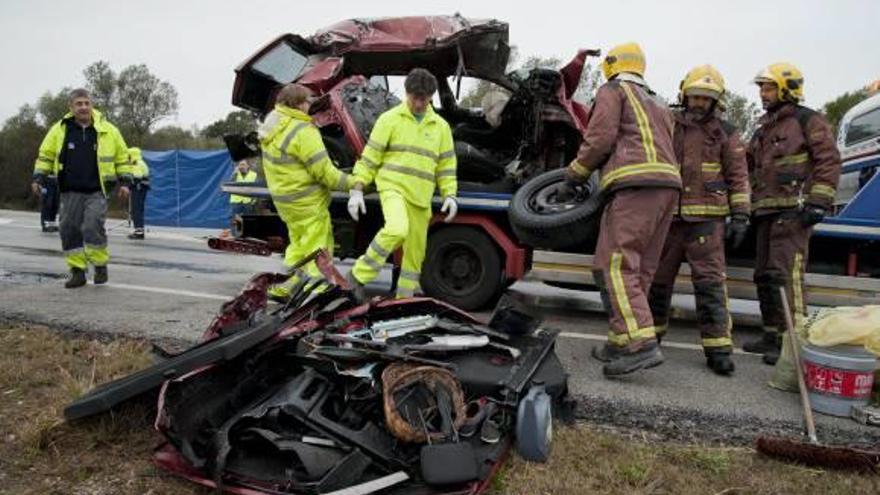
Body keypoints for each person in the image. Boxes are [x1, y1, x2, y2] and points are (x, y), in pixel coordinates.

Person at [558, 43, 681, 377]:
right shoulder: (657, 100)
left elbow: (600, 137)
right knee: (637, 269)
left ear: (612, 65)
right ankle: (619, 339)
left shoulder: (613, 90)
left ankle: (641, 345)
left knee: (614, 265)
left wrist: (576, 173)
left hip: (634, 184)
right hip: (667, 188)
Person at [645, 65, 750, 376]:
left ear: (716, 100)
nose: (700, 102)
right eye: (695, 96)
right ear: (684, 94)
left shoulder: (726, 132)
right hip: (670, 219)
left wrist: (741, 214)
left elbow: (738, 176)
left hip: (708, 221)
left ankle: (718, 350)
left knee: (710, 287)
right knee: (657, 284)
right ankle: (650, 340)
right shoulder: (667, 123)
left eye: (707, 98)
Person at [743, 63, 841, 365]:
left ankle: (793, 344)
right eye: (761, 87)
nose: (762, 93)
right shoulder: (763, 128)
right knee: (765, 275)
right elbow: (746, 165)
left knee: (787, 276)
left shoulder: (808, 120)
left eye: (768, 87)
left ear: (787, 89)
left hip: (794, 210)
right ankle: (771, 335)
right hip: (765, 211)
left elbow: (828, 159)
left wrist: (818, 201)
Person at [346, 68, 458, 301]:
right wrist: (357, 188)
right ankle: (357, 276)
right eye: (414, 97)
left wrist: (450, 195)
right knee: (397, 229)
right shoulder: (389, 120)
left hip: (421, 196)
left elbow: (446, 165)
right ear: (407, 93)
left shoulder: (441, 127)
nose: (418, 103)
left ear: (430, 97)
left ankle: (404, 298)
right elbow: (370, 157)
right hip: (393, 187)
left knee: (416, 252)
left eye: (424, 98)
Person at [258, 83, 353, 301]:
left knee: (299, 245)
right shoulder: (304, 131)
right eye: (308, 101)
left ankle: (285, 285)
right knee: (317, 248)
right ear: (299, 104)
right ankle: (316, 293)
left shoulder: (272, 126)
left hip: (286, 202)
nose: (310, 106)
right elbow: (326, 175)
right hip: (308, 202)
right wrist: (356, 182)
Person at [32, 88, 131, 288]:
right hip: (69, 191)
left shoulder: (109, 130)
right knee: (69, 229)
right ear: (71, 107)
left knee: (92, 226)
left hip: (97, 190)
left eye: (87, 103)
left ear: (92, 105)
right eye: (79, 104)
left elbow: (122, 157)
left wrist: (126, 182)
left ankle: (100, 265)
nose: (84, 107)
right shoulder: (60, 129)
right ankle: (77, 272)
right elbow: (46, 155)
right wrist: (38, 177)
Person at [127, 147, 150, 240]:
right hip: (142, 189)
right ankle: (139, 230)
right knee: (139, 209)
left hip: (138, 189)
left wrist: (128, 185)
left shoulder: (136, 163)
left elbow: (137, 176)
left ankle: (139, 232)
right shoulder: (142, 162)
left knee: (136, 209)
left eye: (128, 156)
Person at [229, 159, 257, 227]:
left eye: (243, 164)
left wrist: (253, 200)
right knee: (235, 221)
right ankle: (235, 234)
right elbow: (230, 184)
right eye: (240, 165)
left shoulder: (254, 175)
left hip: (248, 201)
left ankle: (248, 234)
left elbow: (256, 188)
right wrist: (234, 173)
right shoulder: (235, 174)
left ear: (248, 166)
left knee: (248, 220)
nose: (241, 166)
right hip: (236, 201)